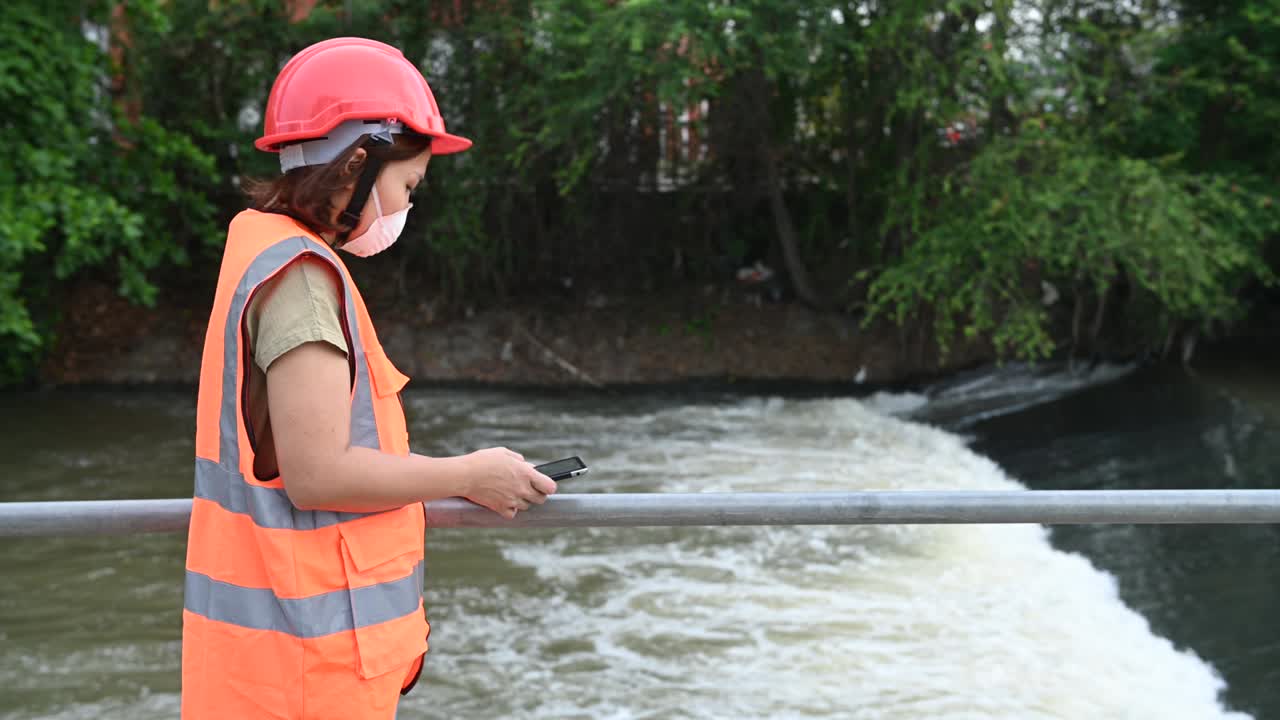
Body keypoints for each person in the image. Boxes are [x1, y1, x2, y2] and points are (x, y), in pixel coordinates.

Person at [180, 37, 556, 720]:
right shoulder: (299, 282)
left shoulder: (260, 247)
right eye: (407, 186)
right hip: (305, 679)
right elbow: (317, 474)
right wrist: (470, 474)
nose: (408, 206)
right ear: (359, 161)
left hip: (271, 673)